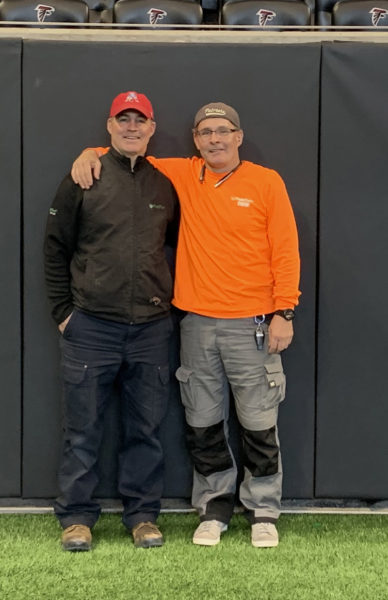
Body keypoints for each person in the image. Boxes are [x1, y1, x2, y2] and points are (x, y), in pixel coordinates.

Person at [71, 101, 300, 548]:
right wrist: (87, 152)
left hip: (253, 323)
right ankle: (214, 508)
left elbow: (285, 250)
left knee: (257, 422)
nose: (214, 139)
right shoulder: (183, 174)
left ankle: (263, 510)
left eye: (222, 131)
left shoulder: (266, 182)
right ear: (195, 139)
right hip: (195, 323)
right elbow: (127, 149)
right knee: (203, 421)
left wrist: (284, 311)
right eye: (205, 132)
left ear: (238, 135)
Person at [44, 91, 179, 551]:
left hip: (151, 330)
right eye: (123, 119)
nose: (132, 127)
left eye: (140, 120)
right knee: (82, 429)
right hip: (91, 329)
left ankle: (142, 515)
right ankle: (77, 517)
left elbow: (179, 248)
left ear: (152, 129)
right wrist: (64, 314)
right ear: (109, 126)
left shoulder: (166, 184)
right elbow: (55, 248)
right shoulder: (84, 176)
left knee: (145, 430)